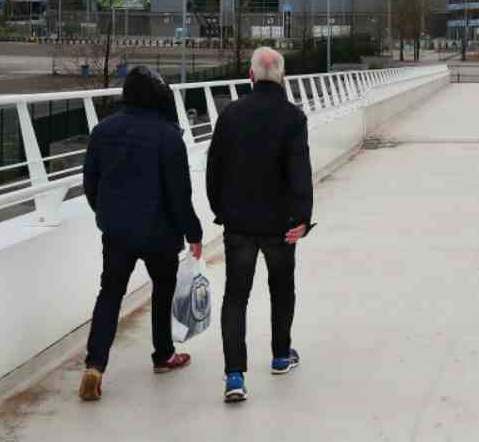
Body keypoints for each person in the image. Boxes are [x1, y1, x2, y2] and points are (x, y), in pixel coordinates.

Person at [78, 66, 204, 401]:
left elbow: (90, 184)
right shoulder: (168, 135)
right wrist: (194, 233)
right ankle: (163, 355)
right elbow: (179, 195)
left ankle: (95, 365)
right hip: (159, 233)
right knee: (162, 289)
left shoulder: (102, 131)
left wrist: (106, 215)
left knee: (110, 293)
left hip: (116, 230)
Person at [206, 46, 313, 404]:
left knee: (236, 297)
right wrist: (302, 220)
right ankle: (281, 356)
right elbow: (300, 174)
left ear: (250, 76)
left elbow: (214, 170)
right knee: (282, 289)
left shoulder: (231, 115)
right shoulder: (293, 118)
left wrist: (220, 210)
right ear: (282, 76)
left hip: (239, 224)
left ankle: (235, 376)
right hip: (281, 225)